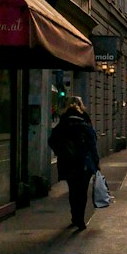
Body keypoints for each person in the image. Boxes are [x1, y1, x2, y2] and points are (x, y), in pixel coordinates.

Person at [48, 96, 101, 230]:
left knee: (73, 190)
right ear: (81, 106)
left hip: (68, 162)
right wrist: (96, 162)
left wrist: (60, 152)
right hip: (84, 162)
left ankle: (74, 216)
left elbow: (52, 140)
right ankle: (80, 219)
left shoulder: (63, 122)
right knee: (82, 191)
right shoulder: (85, 121)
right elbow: (92, 143)